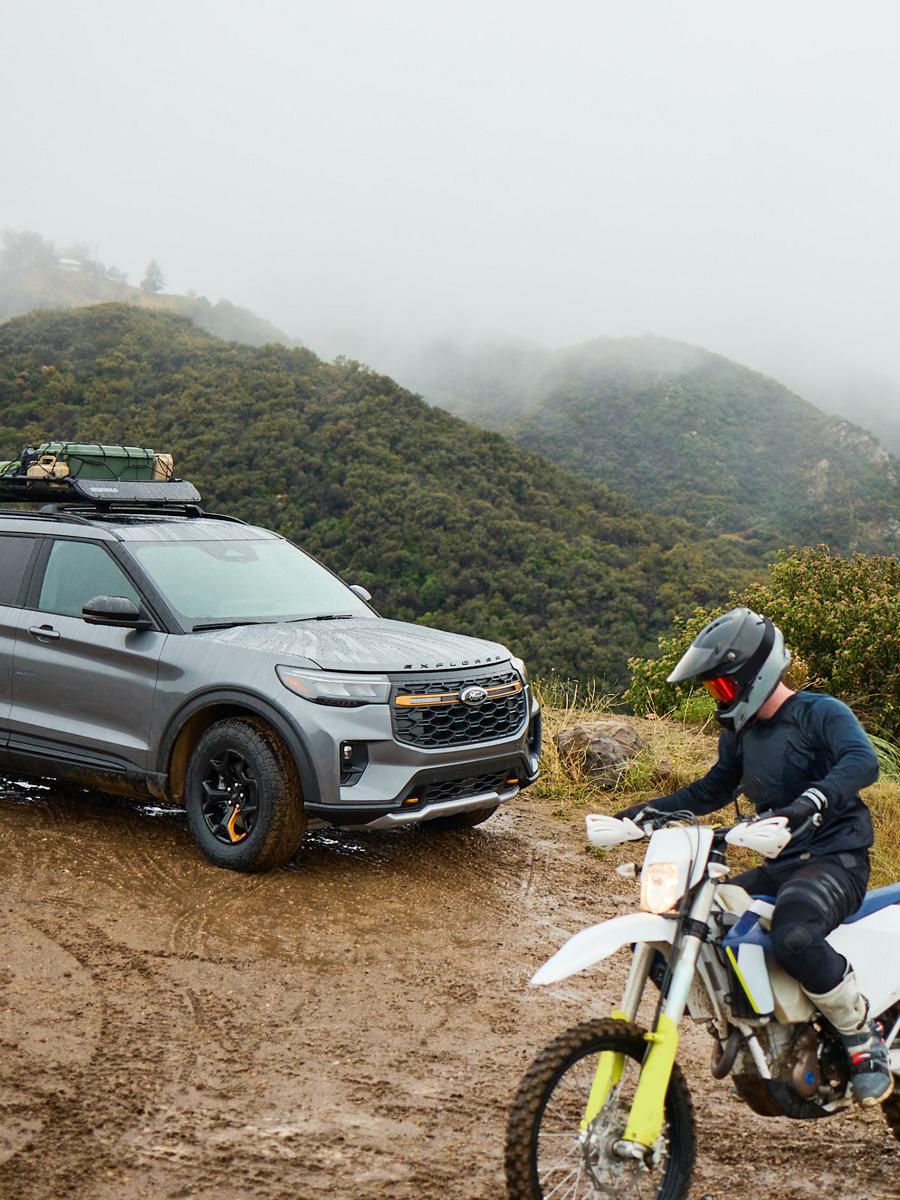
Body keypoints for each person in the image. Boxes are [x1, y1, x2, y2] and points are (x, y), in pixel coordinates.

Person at [616, 607, 893, 1106]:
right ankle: (744, 1027)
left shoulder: (820, 712)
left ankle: (861, 1038)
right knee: (677, 928)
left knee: (795, 934)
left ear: (754, 673)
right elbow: (713, 789)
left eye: (721, 687)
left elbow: (862, 761)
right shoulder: (740, 734)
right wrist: (636, 817)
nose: (718, 698)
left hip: (835, 859)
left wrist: (813, 801)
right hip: (779, 861)